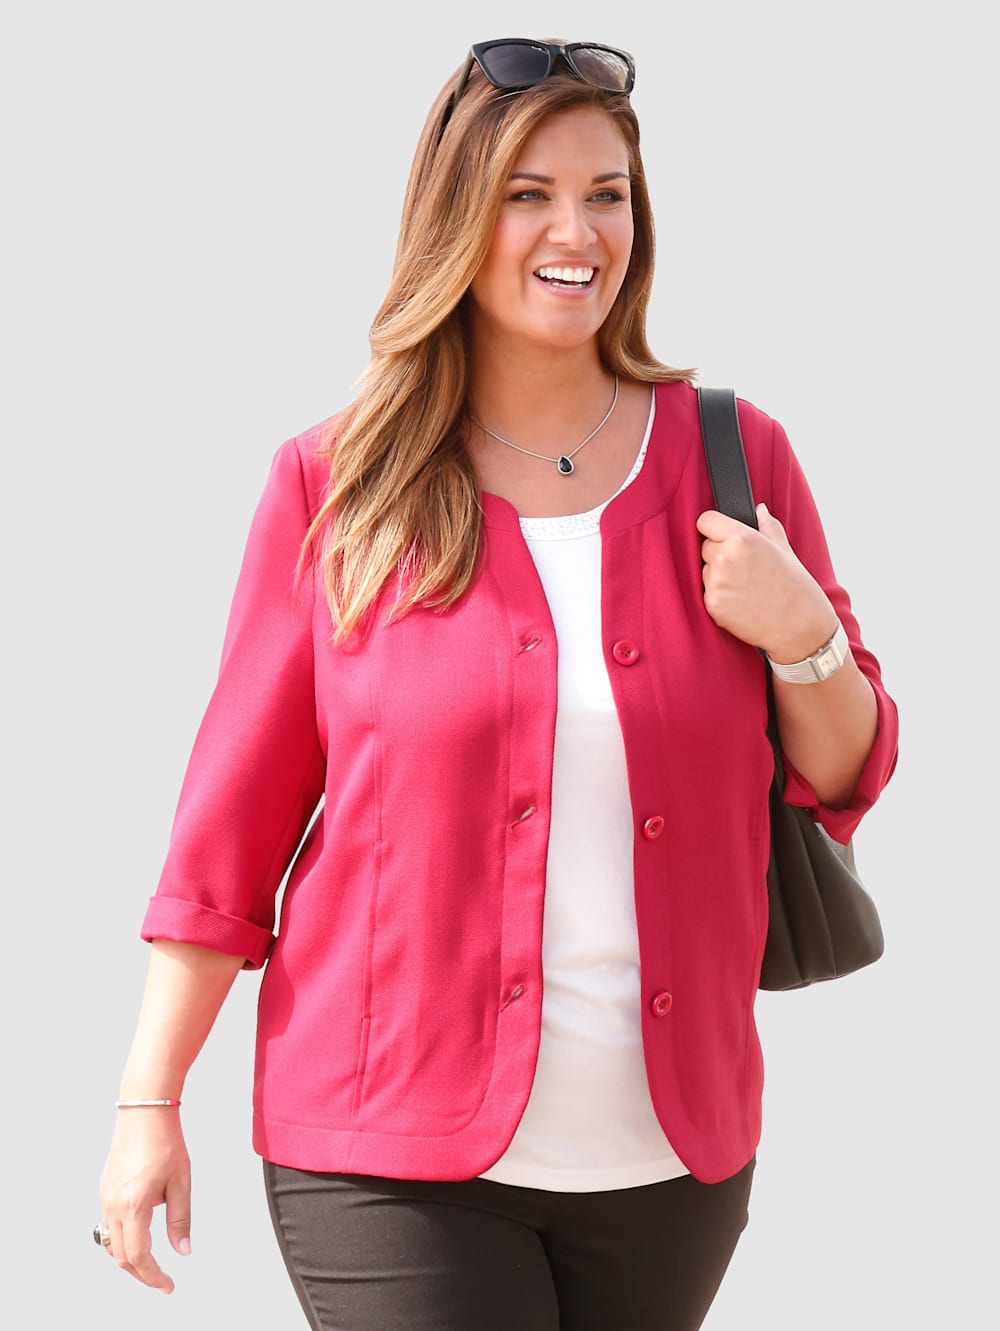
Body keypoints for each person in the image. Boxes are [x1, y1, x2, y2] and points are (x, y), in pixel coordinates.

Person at [96, 37, 898, 1331]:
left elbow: (845, 768)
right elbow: (225, 838)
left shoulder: (737, 457)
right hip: (386, 1151)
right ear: (458, 216)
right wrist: (149, 1101)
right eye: (529, 194)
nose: (576, 232)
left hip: (673, 1162)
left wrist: (804, 631)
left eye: (605, 194)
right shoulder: (340, 485)